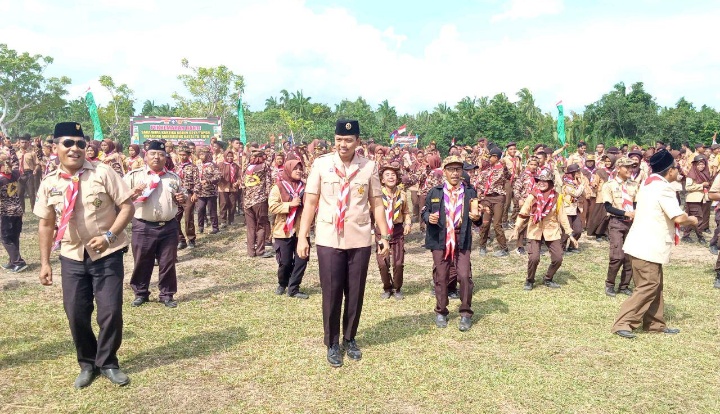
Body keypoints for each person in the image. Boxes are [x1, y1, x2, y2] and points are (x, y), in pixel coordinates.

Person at [35, 122, 135, 388]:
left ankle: (109, 362)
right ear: (55, 147)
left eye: (80, 143)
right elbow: (45, 223)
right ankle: (87, 363)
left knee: (111, 312)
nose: (75, 148)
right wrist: (45, 262)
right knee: (76, 313)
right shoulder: (49, 183)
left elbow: (127, 206)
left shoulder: (103, 172)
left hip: (108, 254)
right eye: (68, 143)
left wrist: (109, 236)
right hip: (71, 256)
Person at [296, 119, 390, 368]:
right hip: (329, 237)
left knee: (355, 291)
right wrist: (303, 235)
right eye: (339, 140)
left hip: (359, 237)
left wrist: (384, 235)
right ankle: (333, 342)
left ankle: (350, 337)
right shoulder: (321, 164)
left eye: (348, 140)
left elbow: (377, 203)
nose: (343, 144)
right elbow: (311, 203)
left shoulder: (369, 167)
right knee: (332, 291)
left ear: (358, 141)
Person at [612, 149, 698, 339]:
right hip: (648, 245)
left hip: (641, 243)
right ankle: (623, 322)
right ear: (669, 171)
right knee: (649, 285)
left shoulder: (648, 184)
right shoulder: (663, 188)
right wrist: (692, 220)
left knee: (655, 285)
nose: (678, 171)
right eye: (676, 167)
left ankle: (655, 324)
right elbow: (678, 217)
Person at [124, 140, 186, 308]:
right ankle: (141, 293)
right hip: (143, 225)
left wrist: (182, 198)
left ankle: (166, 294)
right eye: (153, 154)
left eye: (161, 154)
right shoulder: (134, 176)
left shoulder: (173, 178)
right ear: (146, 156)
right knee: (142, 261)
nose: (157, 157)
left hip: (168, 225)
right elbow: (120, 199)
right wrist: (133, 192)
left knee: (167, 262)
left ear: (166, 157)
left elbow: (183, 196)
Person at [423, 155, 482, 330]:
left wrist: (478, 218)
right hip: (440, 239)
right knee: (441, 277)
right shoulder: (435, 191)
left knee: (464, 275)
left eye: (458, 169)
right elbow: (424, 212)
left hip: (461, 237)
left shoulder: (470, 192)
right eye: (451, 169)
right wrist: (429, 218)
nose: (455, 173)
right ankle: (441, 311)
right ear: (444, 171)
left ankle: (465, 313)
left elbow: (478, 217)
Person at [511, 170, 577, 290]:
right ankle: (530, 280)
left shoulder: (557, 197)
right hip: (535, 230)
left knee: (558, 258)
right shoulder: (533, 195)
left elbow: (562, 216)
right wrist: (516, 228)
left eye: (545, 181)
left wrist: (570, 234)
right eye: (539, 180)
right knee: (534, 258)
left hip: (551, 230)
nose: (541, 183)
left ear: (551, 182)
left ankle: (548, 278)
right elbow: (523, 212)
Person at [268, 158, 309, 299]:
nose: (299, 171)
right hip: (283, 230)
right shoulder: (278, 187)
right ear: (287, 169)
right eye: (295, 168)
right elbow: (272, 206)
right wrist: (290, 205)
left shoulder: (306, 187)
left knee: (301, 260)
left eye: (300, 168)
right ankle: (283, 283)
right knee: (285, 262)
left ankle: (294, 288)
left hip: (301, 230)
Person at [602, 157, 639, 297]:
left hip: (632, 223)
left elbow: (636, 203)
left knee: (630, 256)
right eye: (627, 167)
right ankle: (610, 284)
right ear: (618, 168)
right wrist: (625, 213)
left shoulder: (634, 185)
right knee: (617, 256)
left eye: (632, 167)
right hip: (617, 222)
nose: (630, 170)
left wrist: (635, 213)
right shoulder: (609, 185)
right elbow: (608, 206)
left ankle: (624, 286)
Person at [376, 162, 412, 300]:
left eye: (393, 175)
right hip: (381, 231)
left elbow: (406, 212)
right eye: (387, 175)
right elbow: (370, 212)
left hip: (397, 231)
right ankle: (387, 287)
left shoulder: (402, 195)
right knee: (382, 263)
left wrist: (408, 223)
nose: (391, 177)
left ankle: (397, 288)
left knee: (398, 262)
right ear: (382, 179)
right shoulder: (377, 195)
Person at [477, 147, 511, 257]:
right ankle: (482, 246)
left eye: (490, 157)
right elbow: (480, 184)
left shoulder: (502, 169)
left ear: (495, 157)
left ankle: (504, 249)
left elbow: (508, 177)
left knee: (497, 224)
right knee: (485, 223)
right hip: (486, 199)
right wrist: (480, 194)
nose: (488, 159)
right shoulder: (486, 171)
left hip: (498, 199)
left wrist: (505, 168)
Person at [243, 148, 274, 258]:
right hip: (260, 200)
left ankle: (251, 252)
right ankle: (260, 251)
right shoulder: (264, 166)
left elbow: (243, 185)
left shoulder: (247, 168)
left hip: (247, 201)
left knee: (250, 227)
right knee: (261, 226)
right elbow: (269, 182)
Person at [0, 156, 27, 272]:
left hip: (6, 212)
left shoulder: (1, 180)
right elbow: (18, 165)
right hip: (18, 210)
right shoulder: (15, 174)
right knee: (14, 236)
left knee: (5, 238)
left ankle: (18, 261)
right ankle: (12, 261)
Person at [682, 155, 711, 244]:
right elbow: (688, 187)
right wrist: (701, 185)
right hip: (693, 199)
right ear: (695, 165)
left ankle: (686, 235)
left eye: (702, 164)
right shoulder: (691, 174)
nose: (701, 166)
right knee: (698, 219)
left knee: (690, 218)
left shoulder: (705, 173)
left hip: (702, 199)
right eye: (699, 164)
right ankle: (700, 237)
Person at [174, 146, 200, 249]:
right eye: (180, 155)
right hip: (178, 194)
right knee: (175, 218)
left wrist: (195, 193)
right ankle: (181, 239)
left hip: (189, 193)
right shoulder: (176, 166)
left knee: (188, 217)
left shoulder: (193, 167)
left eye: (184, 155)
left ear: (189, 155)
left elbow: (197, 181)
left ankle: (191, 239)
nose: (182, 157)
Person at [560, 164, 585, 254]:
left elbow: (584, 194)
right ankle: (561, 248)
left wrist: (580, 184)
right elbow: (576, 193)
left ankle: (572, 246)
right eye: (576, 172)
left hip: (576, 209)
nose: (578, 174)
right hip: (567, 210)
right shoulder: (567, 184)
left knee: (578, 229)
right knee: (567, 230)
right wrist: (582, 185)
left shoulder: (576, 183)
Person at [196, 147, 221, 234]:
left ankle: (215, 228)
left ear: (207, 155)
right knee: (200, 209)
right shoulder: (198, 165)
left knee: (212, 210)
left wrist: (208, 181)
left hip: (211, 192)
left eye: (203, 154)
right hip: (200, 191)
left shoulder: (212, 165)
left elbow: (218, 176)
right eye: (200, 154)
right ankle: (200, 226)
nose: (201, 156)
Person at [17, 134, 41, 212]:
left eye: (25, 142)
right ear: (19, 143)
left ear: (28, 143)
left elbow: (37, 164)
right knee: (20, 193)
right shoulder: (16, 154)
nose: (24, 144)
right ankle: (22, 210)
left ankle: (34, 209)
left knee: (31, 193)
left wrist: (35, 170)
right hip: (20, 174)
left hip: (29, 174)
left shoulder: (32, 153)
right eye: (22, 142)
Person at [218, 149, 240, 227]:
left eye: (231, 156)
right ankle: (223, 221)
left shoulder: (235, 166)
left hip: (233, 187)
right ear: (225, 156)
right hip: (223, 187)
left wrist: (237, 182)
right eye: (228, 156)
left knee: (232, 203)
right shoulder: (221, 165)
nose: (230, 158)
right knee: (223, 203)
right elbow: (217, 175)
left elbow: (239, 176)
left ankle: (231, 220)